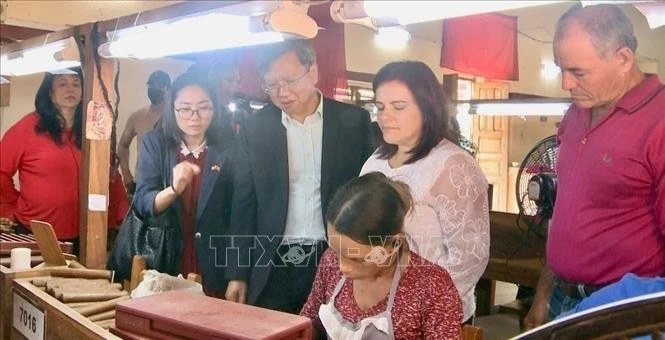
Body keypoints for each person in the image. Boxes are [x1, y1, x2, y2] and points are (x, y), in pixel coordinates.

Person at [524, 4, 665, 329]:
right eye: (561, 68)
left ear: (624, 59)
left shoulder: (659, 122)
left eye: (578, 72)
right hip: (562, 298)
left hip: (624, 316)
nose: (565, 84)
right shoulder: (576, 113)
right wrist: (544, 292)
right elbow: (568, 209)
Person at [224, 40, 374, 313]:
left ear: (313, 72)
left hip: (337, 258)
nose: (282, 93)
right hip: (275, 261)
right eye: (271, 85)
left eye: (290, 81)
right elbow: (243, 203)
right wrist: (238, 272)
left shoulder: (353, 122)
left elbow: (368, 196)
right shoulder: (255, 128)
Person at [360, 61, 489, 322]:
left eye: (398, 107)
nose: (385, 116)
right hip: (376, 307)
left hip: (431, 314)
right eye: (380, 107)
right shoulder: (375, 161)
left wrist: (418, 307)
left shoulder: (454, 166)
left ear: (428, 108)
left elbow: (469, 258)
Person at [300, 172, 463, 339]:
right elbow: (307, 324)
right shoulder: (330, 262)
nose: (342, 266)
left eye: (356, 259)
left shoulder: (432, 286)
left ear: (394, 244)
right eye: (336, 251)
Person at [0, 68, 128, 254]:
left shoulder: (93, 128)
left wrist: (121, 214)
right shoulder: (28, 127)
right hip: (35, 235)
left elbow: (110, 174)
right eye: (62, 83)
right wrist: (11, 207)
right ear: (50, 93)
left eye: (76, 83)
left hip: (87, 235)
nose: (71, 89)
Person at [133, 72, 235, 297]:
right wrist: (173, 190)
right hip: (167, 255)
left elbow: (239, 211)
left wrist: (237, 274)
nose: (194, 116)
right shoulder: (156, 143)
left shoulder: (229, 148)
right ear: (173, 109)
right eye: (185, 108)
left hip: (215, 262)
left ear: (215, 109)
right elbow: (143, 202)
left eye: (204, 107)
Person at [118, 70, 171, 194]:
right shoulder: (137, 117)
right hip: (141, 185)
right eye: (151, 85)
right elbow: (122, 145)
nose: (154, 88)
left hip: (168, 186)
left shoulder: (177, 117)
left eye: (160, 85)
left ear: (168, 89)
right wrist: (126, 175)